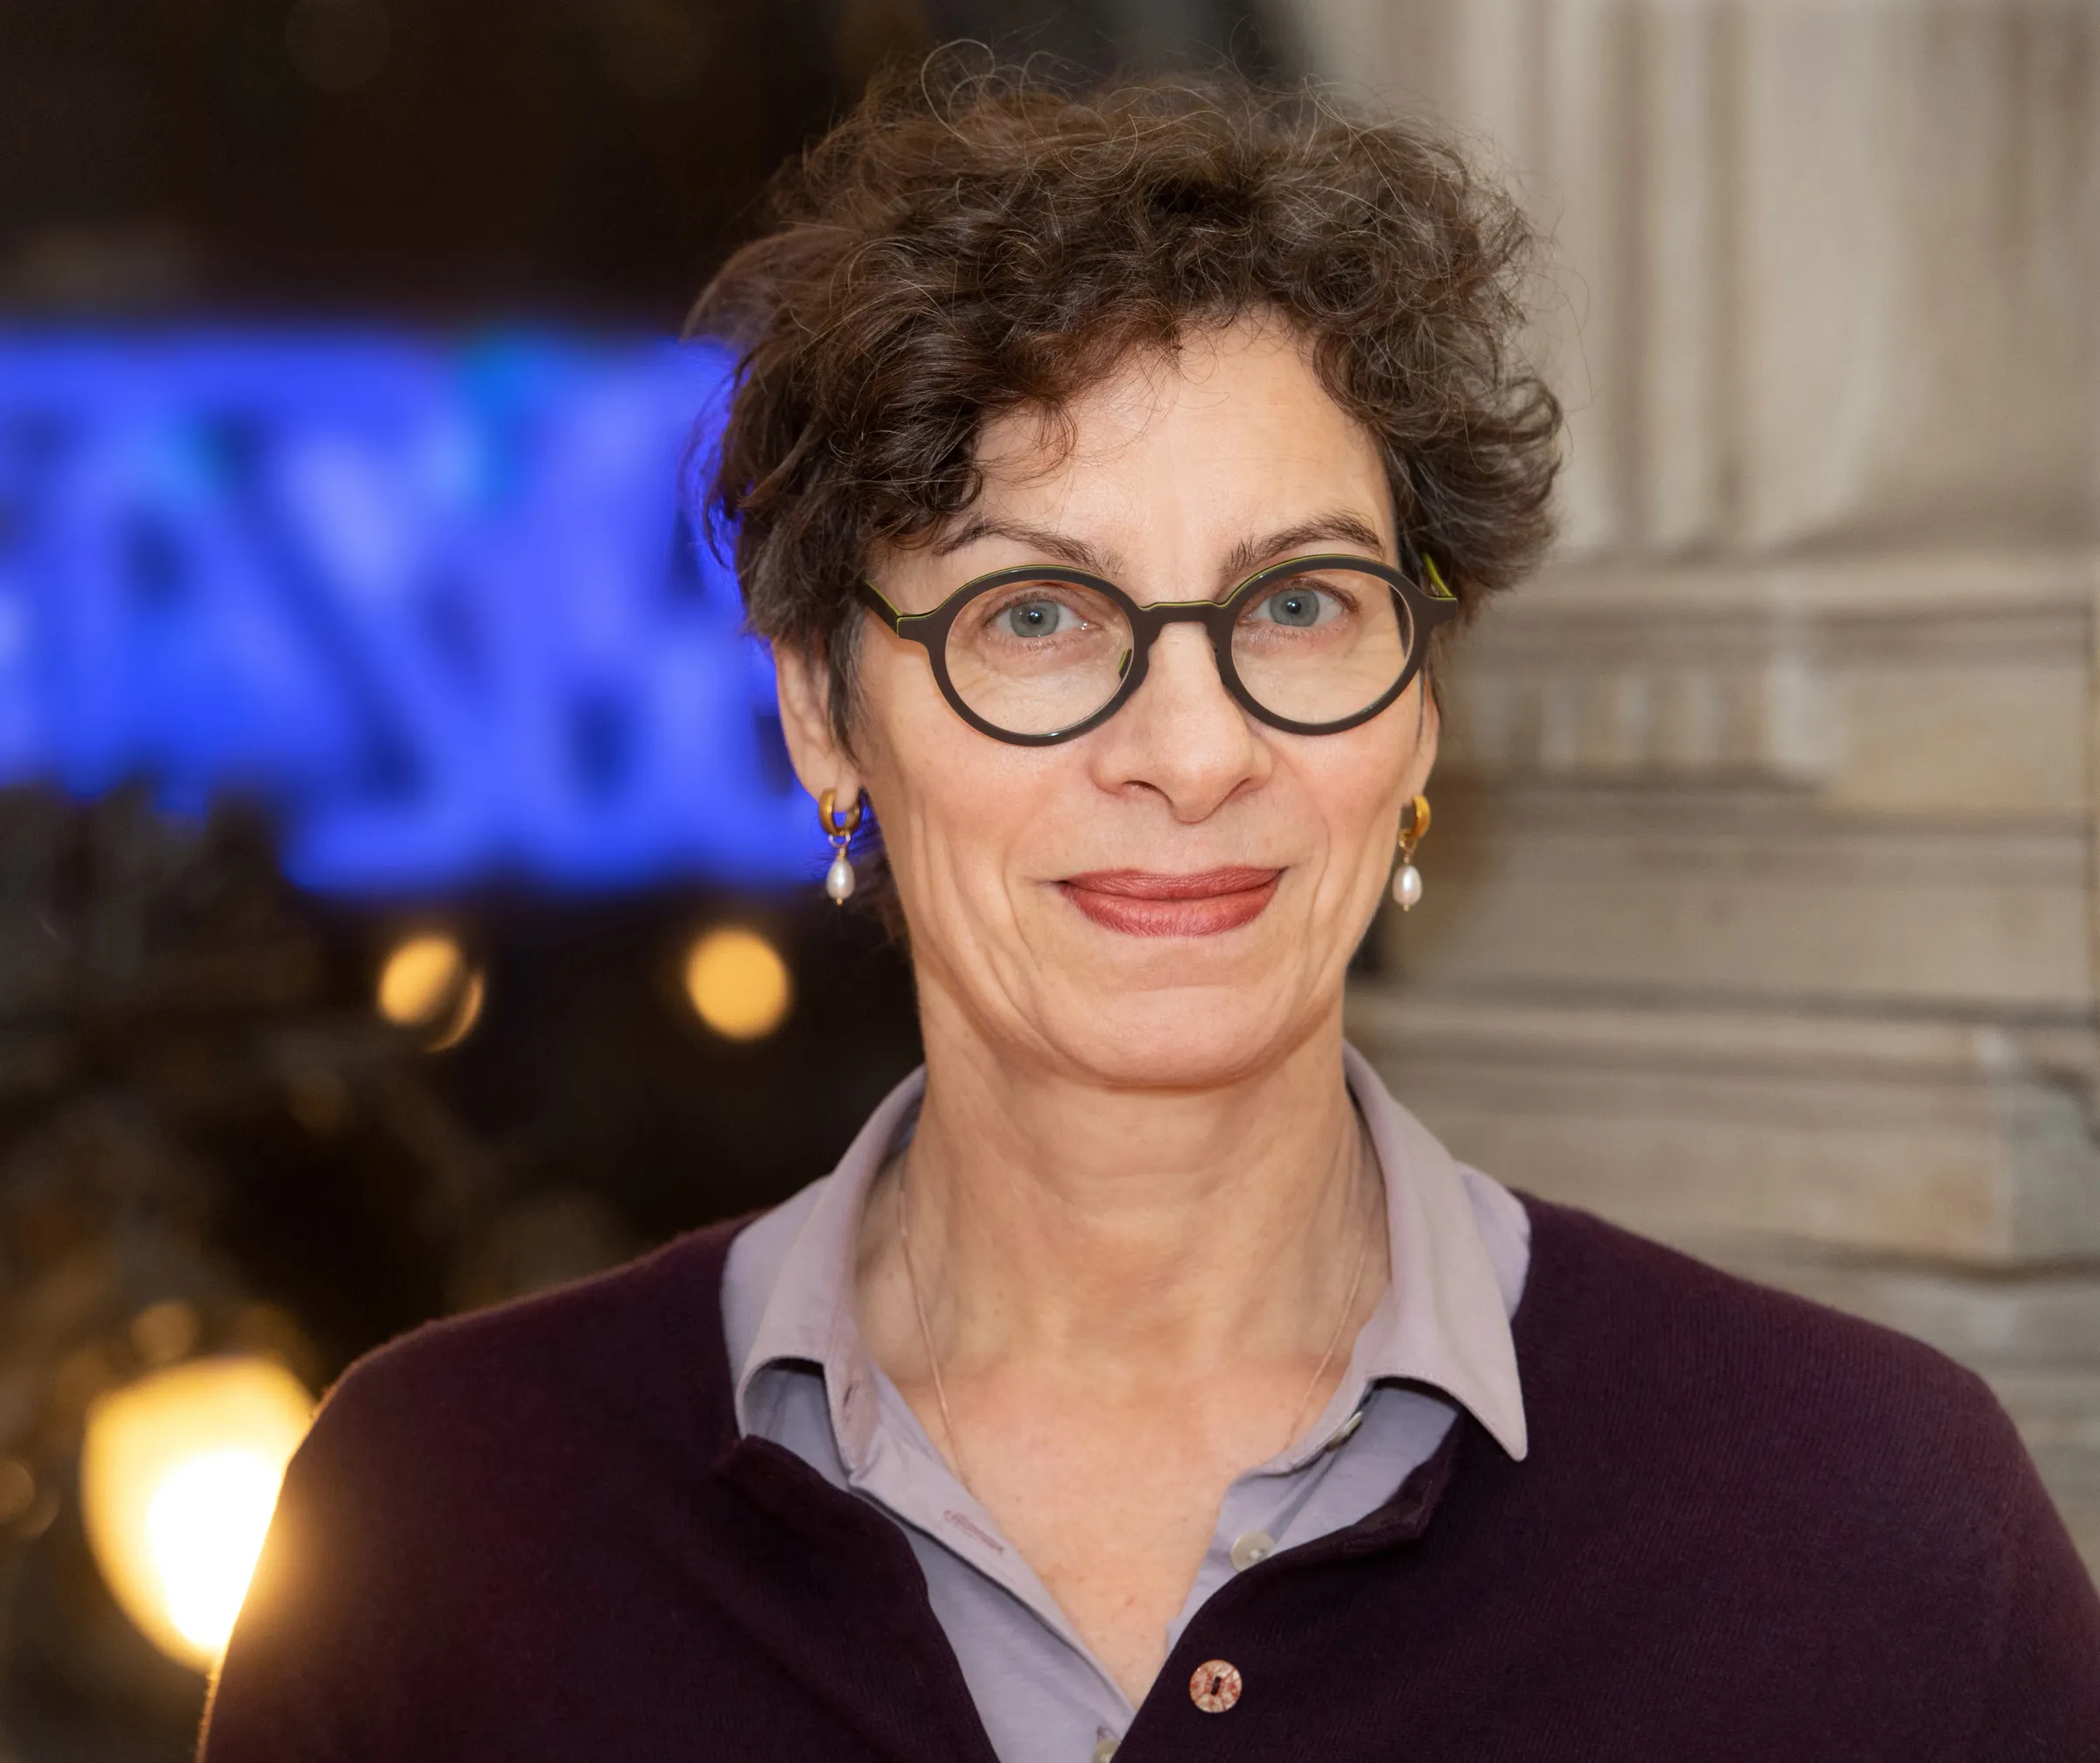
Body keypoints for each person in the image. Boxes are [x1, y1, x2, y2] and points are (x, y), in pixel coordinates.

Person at [199, 60, 2100, 1763]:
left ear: (1421, 700)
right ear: (820, 711)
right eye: (1035, 615)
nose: (1195, 749)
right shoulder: (444, 1529)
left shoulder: (1875, 1527)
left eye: (1298, 606)